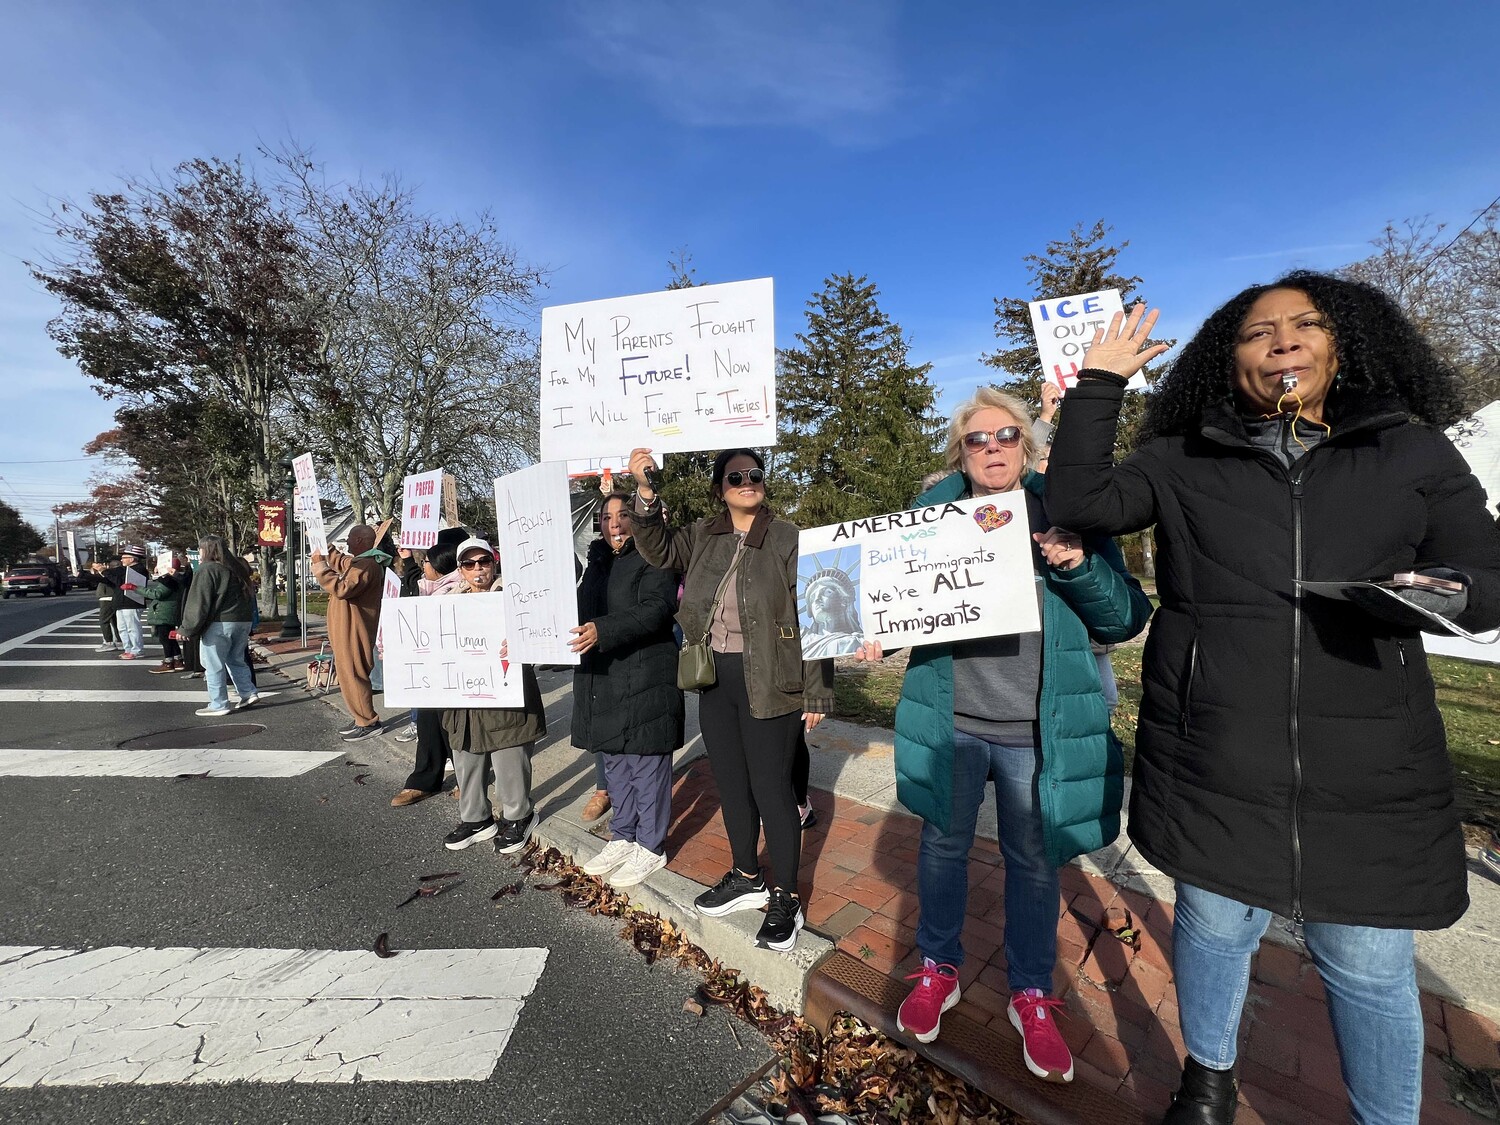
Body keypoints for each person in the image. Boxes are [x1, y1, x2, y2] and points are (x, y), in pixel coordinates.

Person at [1044, 276, 1500, 1125]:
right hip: (1216, 754)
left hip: (1367, 768)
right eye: (1258, 333)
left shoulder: (1413, 451)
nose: (1282, 341)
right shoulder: (1182, 457)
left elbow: (1490, 575)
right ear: (1229, 358)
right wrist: (1097, 382)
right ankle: (1207, 1080)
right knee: (1214, 932)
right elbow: (1080, 502)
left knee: (1366, 965)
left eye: (1305, 325)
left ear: (1346, 344)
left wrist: (1456, 589)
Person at [855, 387, 1151, 1083]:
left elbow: (1125, 616)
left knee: (1033, 860)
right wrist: (872, 633)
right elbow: (898, 603)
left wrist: (1076, 566)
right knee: (943, 845)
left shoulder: (1071, 507)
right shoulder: (931, 518)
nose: (992, 448)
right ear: (961, 449)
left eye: (1006, 436)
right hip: (952, 721)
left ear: (1030, 442)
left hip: (1034, 727)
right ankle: (938, 966)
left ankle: (1029, 992)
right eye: (977, 438)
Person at [628, 446, 835, 953]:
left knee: (771, 788)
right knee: (732, 782)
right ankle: (747, 874)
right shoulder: (704, 534)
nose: (748, 481)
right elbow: (655, 548)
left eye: (755, 474)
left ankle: (785, 895)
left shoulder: (788, 538)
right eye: (736, 476)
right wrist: (647, 492)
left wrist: (817, 689)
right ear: (721, 488)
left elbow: (818, 612)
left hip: (772, 679)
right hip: (714, 675)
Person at [571, 493, 685, 889]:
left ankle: (651, 846)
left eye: (623, 515)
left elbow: (657, 608)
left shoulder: (656, 555)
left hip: (646, 672)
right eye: (606, 517)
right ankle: (623, 834)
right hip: (605, 673)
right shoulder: (597, 562)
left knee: (646, 761)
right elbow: (578, 612)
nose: (614, 524)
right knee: (616, 761)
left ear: (638, 520)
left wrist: (604, 630)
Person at [440, 537, 547, 854]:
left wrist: (524, 644)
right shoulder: (445, 605)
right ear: (460, 570)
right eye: (469, 564)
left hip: (505, 694)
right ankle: (476, 820)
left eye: (483, 561)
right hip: (464, 699)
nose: (477, 569)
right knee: (467, 758)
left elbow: (543, 635)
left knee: (509, 759)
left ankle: (521, 816)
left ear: (494, 563)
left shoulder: (516, 598)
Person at [389, 541, 462, 807]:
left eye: (427, 562)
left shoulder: (459, 590)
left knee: (453, 726)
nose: (423, 567)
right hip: (429, 670)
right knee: (429, 726)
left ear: (440, 567)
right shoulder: (428, 589)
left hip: (455, 670)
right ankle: (424, 779)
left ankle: (467, 779)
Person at [311, 525, 389, 742]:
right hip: (347, 627)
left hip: (355, 629)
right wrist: (323, 545)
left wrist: (319, 566)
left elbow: (342, 588)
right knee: (348, 673)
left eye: (352, 539)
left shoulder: (366, 565)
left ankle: (368, 721)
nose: (348, 543)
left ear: (362, 541)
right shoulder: (360, 561)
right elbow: (340, 560)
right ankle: (360, 718)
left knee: (354, 673)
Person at [178, 535, 259, 717]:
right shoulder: (236, 568)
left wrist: (186, 628)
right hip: (242, 621)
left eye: (200, 549)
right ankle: (248, 692)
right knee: (236, 659)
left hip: (220, 623)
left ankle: (218, 703)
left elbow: (199, 602)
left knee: (213, 664)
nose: (198, 553)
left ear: (206, 549)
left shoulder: (207, 569)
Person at [94, 546, 148, 659]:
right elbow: (109, 578)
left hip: (132, 603)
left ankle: (137, 650)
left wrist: (104, 571)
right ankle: (128, 648)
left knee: (132, 627)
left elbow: (120, 582)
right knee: (122, 628)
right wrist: (92, 573)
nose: (122, 560)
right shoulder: (123, 569)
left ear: (132, 559)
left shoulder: (139, 570)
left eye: (124, 557)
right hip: (120, 603)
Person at [800, 567, 863, 657]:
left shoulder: (866, 642)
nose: (817, 599)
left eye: (827, 592)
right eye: (813, 597)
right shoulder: (803, 641)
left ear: (844, 601)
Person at [144, 557, 187, 673]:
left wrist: (136, 588)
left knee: (165, 638)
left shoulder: (170, 581)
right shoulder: (177, 579)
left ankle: (169, 662)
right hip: (171, 612)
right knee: (170, 637)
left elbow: (158, 594)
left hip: (165, 613)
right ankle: (178, 660)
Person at [93, 558, 121, 652]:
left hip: (107, 598)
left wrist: (101, 570)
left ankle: (108, 642)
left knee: (104, 620)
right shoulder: (113, 574)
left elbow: (98, 578)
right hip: (111, 597)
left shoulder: (109, 574)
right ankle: (120, 640)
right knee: (114, 620)